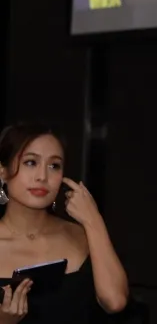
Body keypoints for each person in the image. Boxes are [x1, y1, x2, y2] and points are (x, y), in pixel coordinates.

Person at [0, 123, 129, 322]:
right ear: (3, 172)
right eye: (31, 162)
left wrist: (93, 220)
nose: (42, 177)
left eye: (54, 166)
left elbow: (115, 302)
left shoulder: (84, 236)